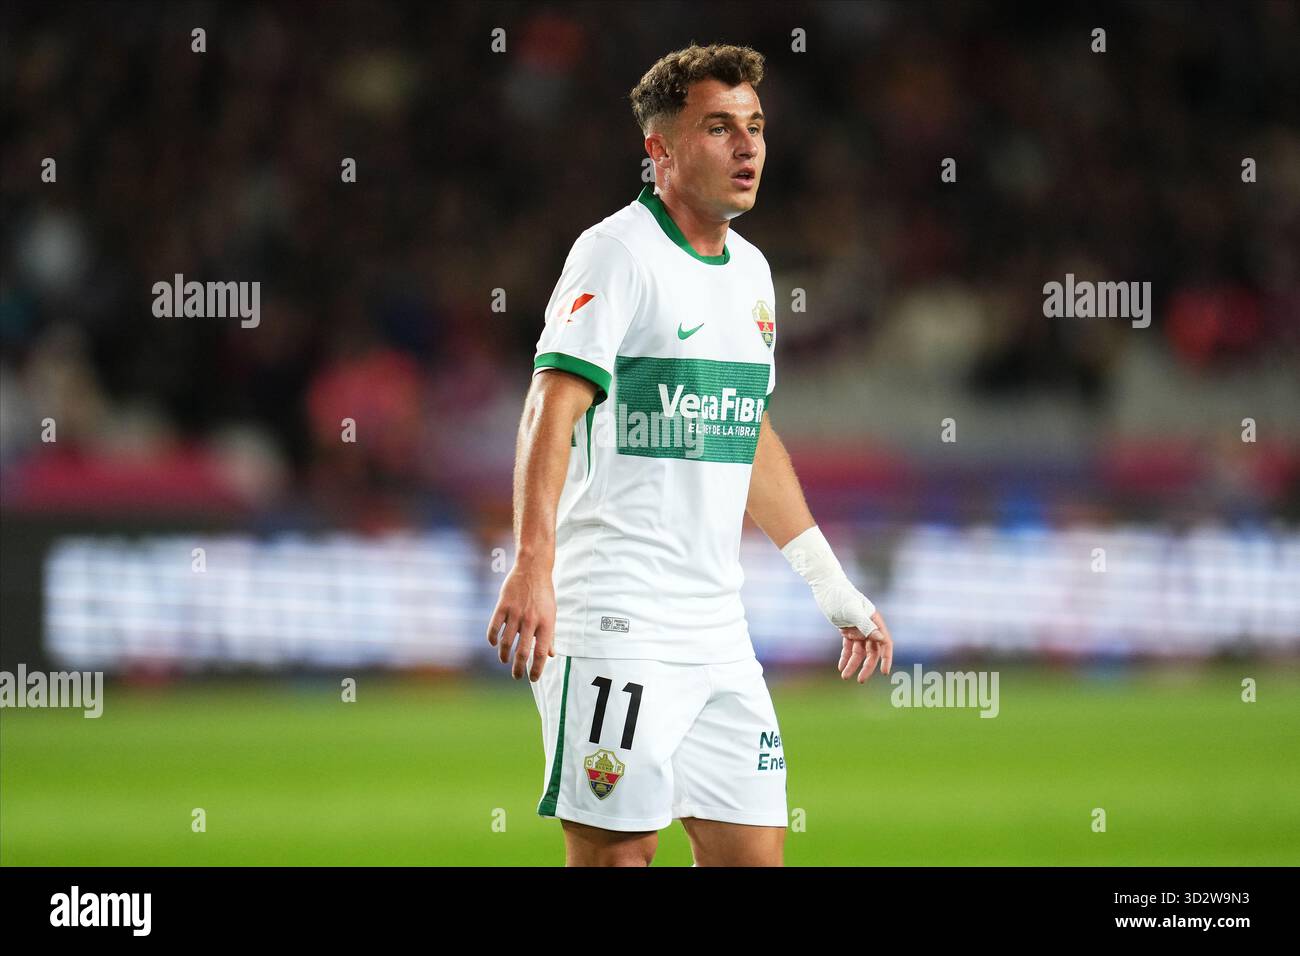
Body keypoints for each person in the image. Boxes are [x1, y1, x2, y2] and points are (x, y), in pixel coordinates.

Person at [487, 43, 894, 867]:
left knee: (754, 857)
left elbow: (746, 432)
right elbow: (550, 402)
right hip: (613, 618)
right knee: (619, 856)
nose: (747, 146)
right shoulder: (616, 254)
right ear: (659, 149)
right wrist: (533, 558)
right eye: (718, 127)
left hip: (717, 626)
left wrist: (827, 579)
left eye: (755, 126)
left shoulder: (751, 273)